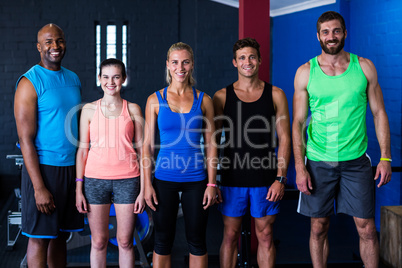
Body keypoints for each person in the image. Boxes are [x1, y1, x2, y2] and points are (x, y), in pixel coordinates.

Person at [293, 11, 392, 268]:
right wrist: (299, 167)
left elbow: (379, 112)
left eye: (336, 31)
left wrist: (385, 157)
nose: (331, 36)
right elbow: (298, 123)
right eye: (325, 32)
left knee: (367, 229)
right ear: (318, 36)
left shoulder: (364, 67)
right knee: (318, 227)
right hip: (318, 162)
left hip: (356, 161)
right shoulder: (306, 72)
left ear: (345, 33)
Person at [213, 37, 291, 268]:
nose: (248, 62)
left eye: (252, 57)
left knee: (265, 235)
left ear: (259, 60)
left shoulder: (276, 94)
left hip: (265, 179)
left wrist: (280, 178)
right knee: (230, 235)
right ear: (235, 63)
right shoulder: (221, 96)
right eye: (242, 58)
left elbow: (284, 138)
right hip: (231, 178)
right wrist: (213, 181)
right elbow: (213, 141)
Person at [14, 23, 83, 268]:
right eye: (49, 42)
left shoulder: (73, 78)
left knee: (61, 236)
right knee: (39, 239)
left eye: (60, 41)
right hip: (44, 169)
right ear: (39, 46)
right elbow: (25, 140)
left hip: (71, 169)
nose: (55, 47)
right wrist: (39, 187)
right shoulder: (29, 82)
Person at [143, 42, 218, 268]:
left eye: (185, 61)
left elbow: (211, 144)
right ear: (168, 65)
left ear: (192, 64)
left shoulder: (204, 100)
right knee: (162, 241)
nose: (180, 67)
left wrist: (212, 184)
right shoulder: (154, 100)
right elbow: (147, 145)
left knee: (197, 241)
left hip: (196, 180)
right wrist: (147, 184)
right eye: (175, 62)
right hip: (164, 179)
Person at [75, 58, 145, 268]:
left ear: (123, 79)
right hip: (95, 180)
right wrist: (79, 189)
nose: (110, 81)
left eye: (116, 76)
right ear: (99, 79)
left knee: (125, 242)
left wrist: (143, 189)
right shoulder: (88, 110)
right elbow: (82, 151)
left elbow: (143, 151)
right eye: (105, 77)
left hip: (128, 180)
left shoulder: (133, 109)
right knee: (98, 241)